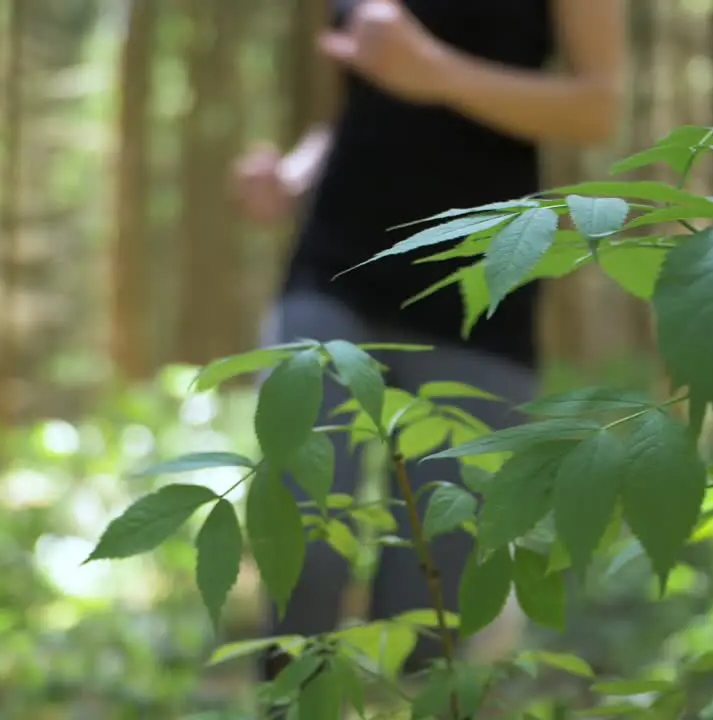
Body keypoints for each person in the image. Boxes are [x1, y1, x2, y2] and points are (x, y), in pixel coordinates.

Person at [232, 0, 626, 687]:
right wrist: (294, 173)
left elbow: (597, 107)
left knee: (428, 607)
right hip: (335, 270)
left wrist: (439, 71)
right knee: (303, 542)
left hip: (478, 296)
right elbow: (361, 102)